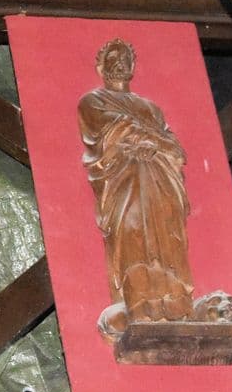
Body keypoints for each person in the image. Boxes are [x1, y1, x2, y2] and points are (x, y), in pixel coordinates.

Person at [78, 38, 195, 334]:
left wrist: (154, 144)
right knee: (133, 233)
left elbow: (176, 150)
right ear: (101, 66)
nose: (119, 63)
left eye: (125, 58)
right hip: (125, 180)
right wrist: (154, 141)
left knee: (168, 237)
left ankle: (177, 305)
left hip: (161, 181)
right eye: (113, 58)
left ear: (133, 66)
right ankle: (140, 304)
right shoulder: (93, 101)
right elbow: (113, 130)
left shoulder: (151, 108)